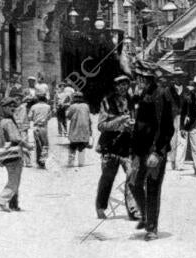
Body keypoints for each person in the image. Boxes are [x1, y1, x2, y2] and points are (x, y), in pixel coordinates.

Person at [128, 61, 174, 240]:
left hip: (155, 150)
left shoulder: (161, 94)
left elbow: (167, 127)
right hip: (140, 150)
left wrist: (158, 152)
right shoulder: (143, 94)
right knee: (133, 183)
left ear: (149, 78)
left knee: (153, 187)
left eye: (142, 77)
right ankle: (147, 216)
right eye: (139, 77)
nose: (139, 80)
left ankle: (152, 228)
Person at [95, 75, 135, 219]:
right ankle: (100, 206)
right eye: (120, 84)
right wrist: (119, 121)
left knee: (132, 176)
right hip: (110, 147)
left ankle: (133, 209)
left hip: (127, 146)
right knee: (107, 178)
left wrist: (133, 126)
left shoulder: (132, 101)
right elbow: (101, 126)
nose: (123, 87)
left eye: (125, 84)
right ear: (115, 86)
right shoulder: (107, 101)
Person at [0, 96, 30, 211]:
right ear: (4, 108)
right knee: (14, 181)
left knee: (14, 178)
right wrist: (27, 146)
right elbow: (15, 138)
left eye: (14, 106)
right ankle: (1, 199)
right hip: (12, 155)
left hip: (6, 155)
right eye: (9, 106)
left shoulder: (3, 121)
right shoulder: (9, 122)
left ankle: (13, 204)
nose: (12, 108)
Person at [168, 68, 187, 171]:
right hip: (172, 118)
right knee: (172, 140)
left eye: (180, 76)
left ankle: (179, 164)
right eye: (176, 76)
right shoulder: (169, 90)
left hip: (184, 117)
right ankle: (172, 161)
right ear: (173, 78)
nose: (178, 78)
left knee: (183, 140)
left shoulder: (186, 90)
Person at [66, 91, 92, 167]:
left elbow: (68, 116)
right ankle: (81, 163)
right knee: (82, 146)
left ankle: (71, 163)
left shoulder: (72, 106)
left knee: (72, 146)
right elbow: (89, 118)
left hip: (75, 128)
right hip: (84, 129)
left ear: (74, 98)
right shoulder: (86, 106)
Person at [29, 90, 51, 168]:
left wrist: (36, 118)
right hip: (44, 127)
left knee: (38, 145)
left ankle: (38, 161)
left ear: (38, 98)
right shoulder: (48, 107)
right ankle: (43, 161)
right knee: (45, 144)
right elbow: (49, 117)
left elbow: (29, 117)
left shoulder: (33, 107)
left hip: (36, 127)